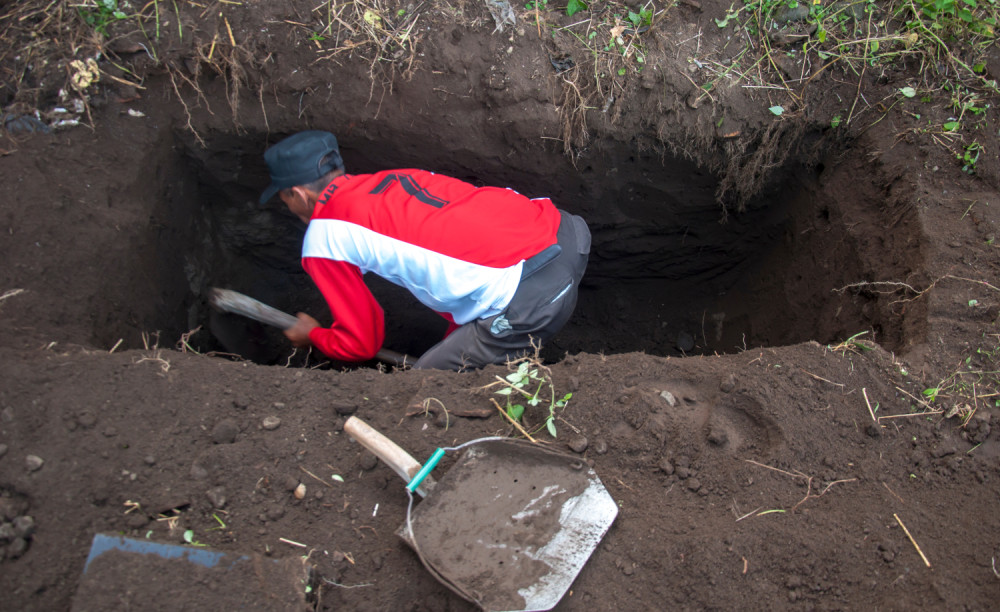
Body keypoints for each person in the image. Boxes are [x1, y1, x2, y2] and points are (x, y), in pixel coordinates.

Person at [259, 130, 591, 371]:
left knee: (424, 387)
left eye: (284, 197)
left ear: (300, 194)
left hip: (535, 297)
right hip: (569, 236)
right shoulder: (392, 178)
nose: (286, 205)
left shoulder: (324, 236)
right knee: (457, 343)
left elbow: (361, 343)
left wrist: (315, 335)